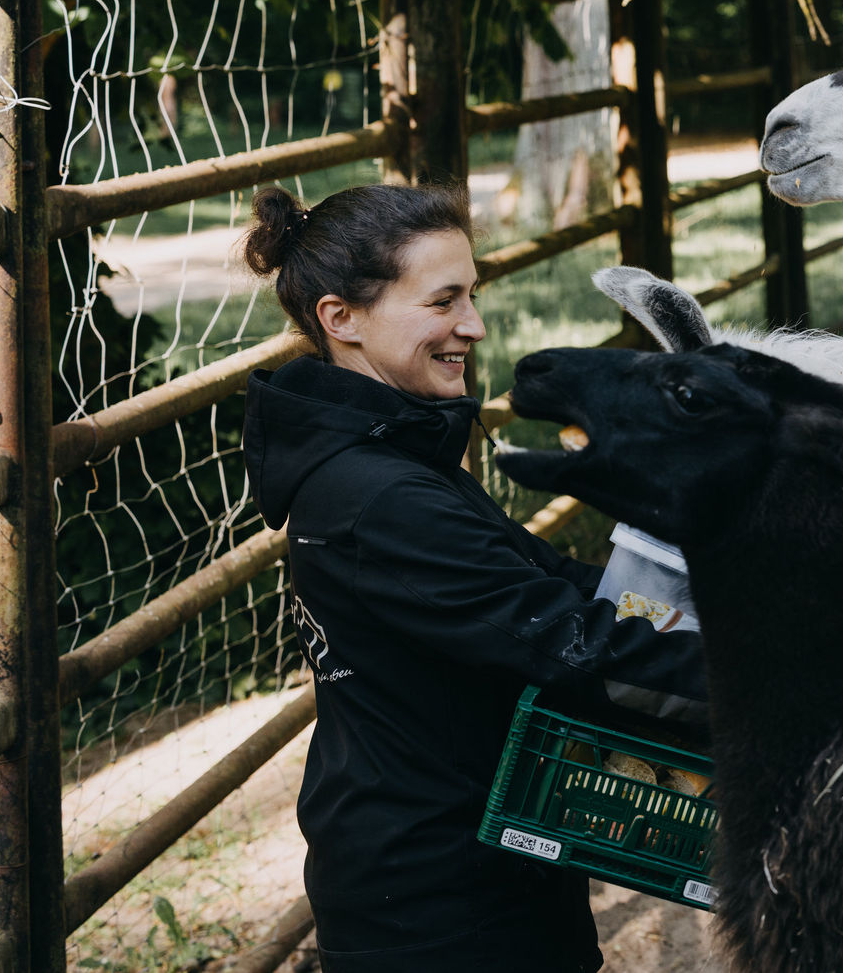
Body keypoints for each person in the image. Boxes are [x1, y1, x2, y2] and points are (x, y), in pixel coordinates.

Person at [241, 183, 703, 973]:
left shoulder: (390, 454)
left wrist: (711, 607)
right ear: (341, 317)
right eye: (443, 301)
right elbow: (568, 642)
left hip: (471, 860)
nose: (474, 326)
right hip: (441, 906)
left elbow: (540, 576)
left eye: (472, 296)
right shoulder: (379, 498)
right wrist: (770, 673)